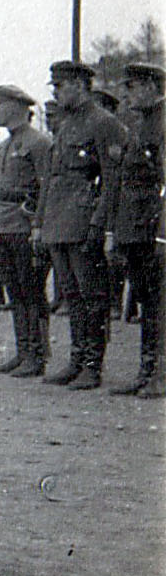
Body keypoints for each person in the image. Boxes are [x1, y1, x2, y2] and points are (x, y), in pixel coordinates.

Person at [38, 60, 127, 389]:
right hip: (60, 219)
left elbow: (112, 178)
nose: (57, 93)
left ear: (79, 85)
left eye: (60, 86)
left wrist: (98, 224)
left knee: (92, 295)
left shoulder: (104, 123)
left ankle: (92, 364)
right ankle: (77, 359)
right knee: (71, 295)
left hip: (83, 218)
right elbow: (53, 176)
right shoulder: (67, 123)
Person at [0, 84, 52, 376]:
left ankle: (36, 355)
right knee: (14, 291)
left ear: (15, 107)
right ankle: (23, 350)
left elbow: (46, 188)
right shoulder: (5, 145)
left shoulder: (38, 143)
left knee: (31, 290)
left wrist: (37, 224)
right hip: (3, 224)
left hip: (23, 225)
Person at [109, 62, 164, 396]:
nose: (126, 95)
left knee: (160, 302)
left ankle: (159, 373)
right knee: (146, 301)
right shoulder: (140, 123)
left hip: (154, 228)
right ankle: (147, 370)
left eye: (130, 87)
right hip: (136, 227)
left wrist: (163, 233)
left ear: (150, 87)